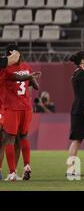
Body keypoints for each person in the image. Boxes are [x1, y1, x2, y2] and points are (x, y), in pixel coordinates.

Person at [1, 45, 40, 181]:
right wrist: (30, 76)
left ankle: (12, 172)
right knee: (23, 137)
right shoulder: (26, 66)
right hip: (27, 108)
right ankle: (27, 165)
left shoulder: (5, 68)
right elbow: (36, 86)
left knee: (8, 139)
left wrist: (26, 77)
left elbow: (14, 76)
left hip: (12, 108)